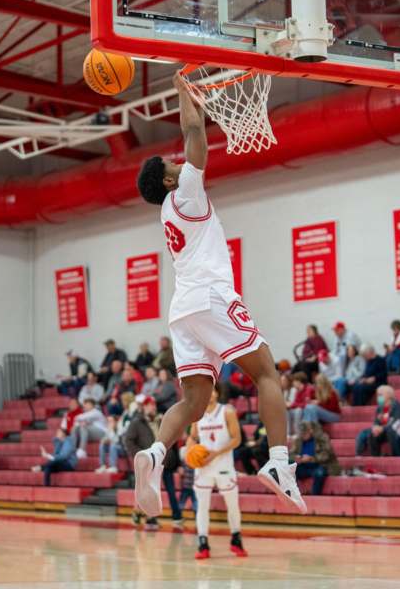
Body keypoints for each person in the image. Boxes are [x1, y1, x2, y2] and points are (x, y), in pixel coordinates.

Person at [133, 71, 306, 517]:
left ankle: (155, 453)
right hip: (210, 297)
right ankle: (278, 462)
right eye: (172, 166)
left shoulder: (168, 214)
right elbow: (195, 133)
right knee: (266, 373)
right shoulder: (186, 196)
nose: (179, 164)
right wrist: (183, 91)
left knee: (192, 402)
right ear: (168, 181)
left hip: (182, 310)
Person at [188, 386, 247, 559]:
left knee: (232, 504)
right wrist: (190, 450)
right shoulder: (197, 415)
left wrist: (216, 453)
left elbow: (237, 439)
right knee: (202, 506)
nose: (209, 394)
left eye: (212, 390)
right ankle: (203, 543)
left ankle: (236, 538)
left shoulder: (227, 411)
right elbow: (192, 437)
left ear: (217, 393)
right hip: (203, 467)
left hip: (223, 465)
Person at [124, 396, 182, 530]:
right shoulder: (136, 422)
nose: (153, 407)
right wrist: (141, 455)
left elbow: (173, 442)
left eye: (154, 405)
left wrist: (178, 463)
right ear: (144, 407)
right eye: (150, 405)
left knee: (170, 491)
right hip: (148, 463)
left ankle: (176, 516)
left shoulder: (162, 420)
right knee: (149, 491)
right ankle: (149, 518)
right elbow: (128, 441)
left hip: (165, 461)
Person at [354, 386, 400, 457]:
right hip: (385, 431)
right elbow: (376, 421)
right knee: (370, 433)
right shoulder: (380, 408)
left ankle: (398, 456)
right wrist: (375, 427)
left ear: (389, 395)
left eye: (380, 395)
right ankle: (374, 456)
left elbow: (396, 423)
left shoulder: (398, 407)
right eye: (377, 395)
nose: (378, 397)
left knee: (391, 430)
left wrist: (382, 428)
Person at [291, 421, 339, 495]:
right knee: (290, 471)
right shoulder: (298, 440)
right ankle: (294, 495)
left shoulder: (322, 438)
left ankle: (314, 496)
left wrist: (311, 459)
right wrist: (296, 458)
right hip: (304, 466)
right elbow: (291, 454)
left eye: (305, 434)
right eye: (302, 434)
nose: (303, 436)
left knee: (319, 473)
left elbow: (326, 455)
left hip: (321, 465)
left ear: (310, 431)